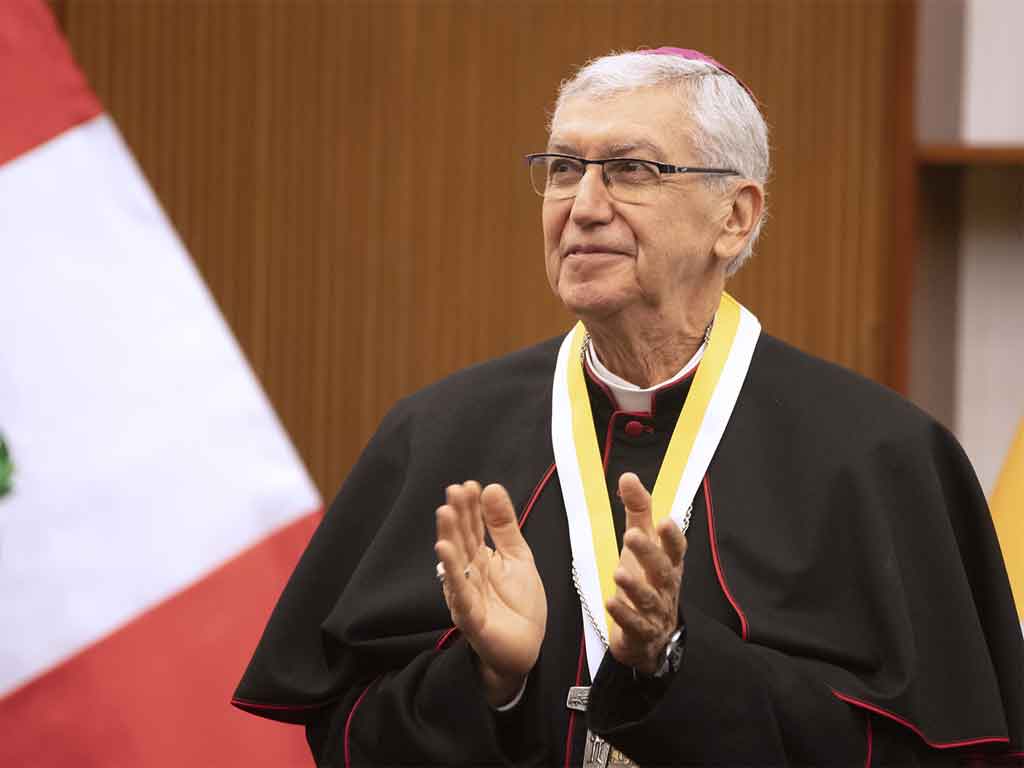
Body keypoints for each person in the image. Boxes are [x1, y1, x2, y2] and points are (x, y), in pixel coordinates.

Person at [233, 48, 1023, 767]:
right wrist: (492, 680)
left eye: (630, 169)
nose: (583, 205)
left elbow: (933, 751)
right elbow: (345, 732)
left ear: (734, 217)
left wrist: (677, 660)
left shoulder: (877, 453)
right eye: (564, 168)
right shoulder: (437, 433)